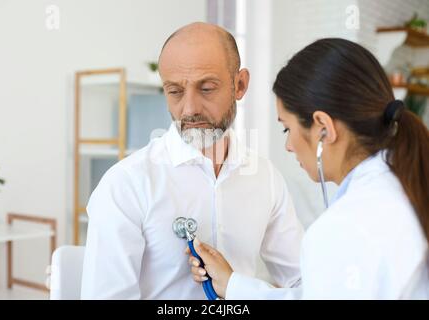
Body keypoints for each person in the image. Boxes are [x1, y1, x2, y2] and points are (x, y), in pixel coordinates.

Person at [188, 38, 429, 299]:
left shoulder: (344, 228)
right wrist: (235, 287)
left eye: (287, 128)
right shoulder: (408, 185)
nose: (289, 146)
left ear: (323, 127)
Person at [80, 22, 304, 299]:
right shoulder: (125, 185)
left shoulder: (265, 178)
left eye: (207, 88)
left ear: (240, 85)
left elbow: (303, 281)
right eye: (174, 91)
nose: (189, 109)